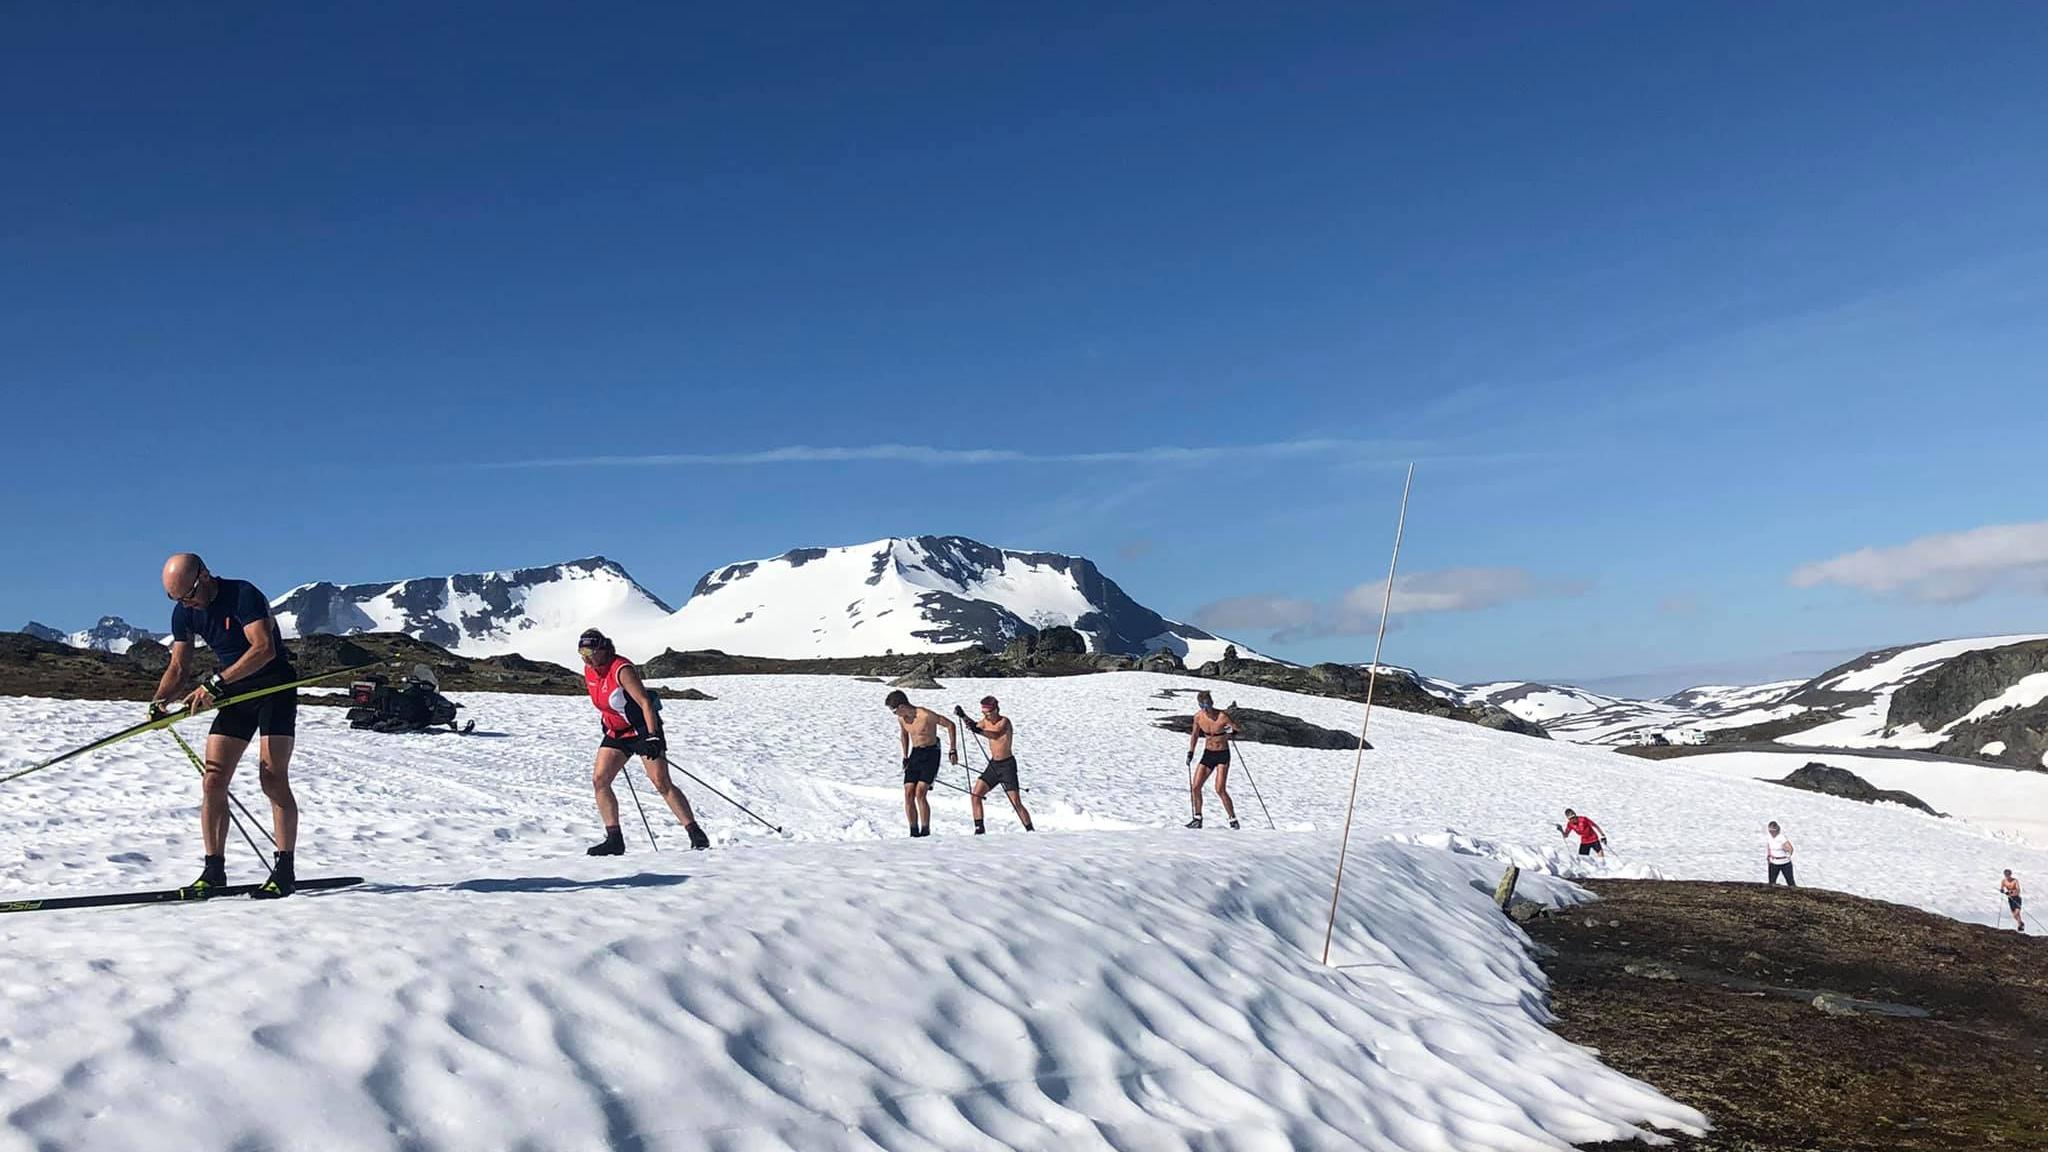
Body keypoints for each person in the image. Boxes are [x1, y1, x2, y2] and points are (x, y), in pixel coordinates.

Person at [150, 553, 300, 899]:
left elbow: (263, 649)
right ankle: (214, 870)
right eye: (178, 600)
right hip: (235, 694)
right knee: (213, 780)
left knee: (272, 777)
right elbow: (178, 667)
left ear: (204, 575)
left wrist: (216, 683)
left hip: (274, 690)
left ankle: (284, 870)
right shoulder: (184, 611)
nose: (188, 604)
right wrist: (160, 701)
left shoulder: (243, 595)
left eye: (189, 595)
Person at [578, 629, 709, 853]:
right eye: (581, 652)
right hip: (616, 733)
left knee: (660, 781)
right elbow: (607, 702)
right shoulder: (589, 672)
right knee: (600, 780)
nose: (586, 657)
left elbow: (645, 703)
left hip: (641, 729)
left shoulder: (622, 669)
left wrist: (652, 736)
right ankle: (614, 840)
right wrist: (607, 721)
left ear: (602, 649)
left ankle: (695, 833)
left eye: (589, 651)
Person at [954, 696, 1033, 834]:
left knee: (1015, 802)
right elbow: (975, 726)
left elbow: (995, 735)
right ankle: (979, 829)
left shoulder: (1004, 722)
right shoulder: (985, 721)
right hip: (994, 765)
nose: (986, 716)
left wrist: (977, 730)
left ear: (996, 709)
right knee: (975, 795)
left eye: (989, 713)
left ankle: (1030, 830)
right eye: (984, 713)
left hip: (1007, 766)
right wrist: (963, 716)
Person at [887, 689, 957, 837]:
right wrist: (905, 756)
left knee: (920, 792)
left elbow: (950, 725)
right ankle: (913, 831)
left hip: (931, 753)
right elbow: (904, 734)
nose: (894, 715)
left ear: (901, 706)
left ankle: (925, 830)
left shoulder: (925, 715)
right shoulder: (902, 719)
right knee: (908, 792)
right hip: (915, 753)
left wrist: (953, 750)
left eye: (894, 711)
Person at [1185, 690, 1239, 830]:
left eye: (1208, 705)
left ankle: (1233, 820)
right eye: (1203, 706)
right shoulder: (1198, 717)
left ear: (1212, 703)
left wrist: (1231, 731)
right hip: (1208, 753)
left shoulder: (1222, 717)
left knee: (1220, 788)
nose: (1206, 709)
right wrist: (1191, 751)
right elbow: (1195, 735)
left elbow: (1237, 729)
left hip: (1222, 754)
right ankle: (1197, 818)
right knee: (1195, 786)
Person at [1766, 821, 1795, 886]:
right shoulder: (1769, 838)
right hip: (1774, 863)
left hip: (1785, 863)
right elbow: (1769, 846)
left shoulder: (1781, 838)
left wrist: (1788, 854)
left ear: (1776, 830)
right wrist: (1768, 856)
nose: (1771, 833)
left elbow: (1790, 848)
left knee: (1790, 881)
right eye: (1770, 831)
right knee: (1771, 882)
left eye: (1773, 831)